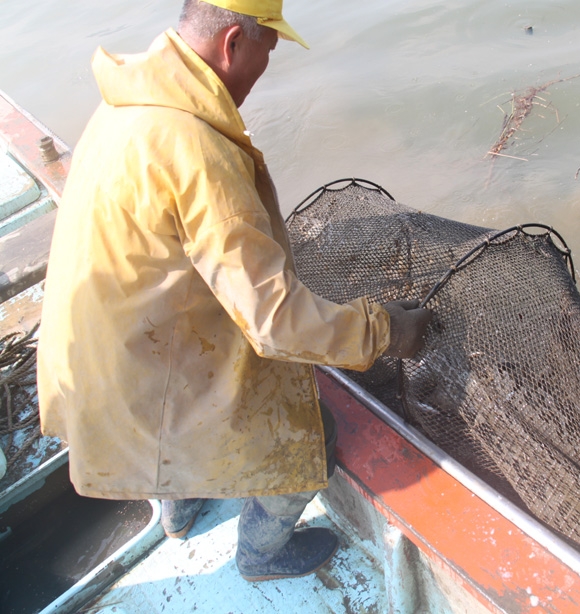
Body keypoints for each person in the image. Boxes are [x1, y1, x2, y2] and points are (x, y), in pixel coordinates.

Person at [36, 0, 431, 582]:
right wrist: (386, 329)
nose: (265, 68)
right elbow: (275, 323)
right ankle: (261, 554)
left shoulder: (129, 101)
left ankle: (179, 510)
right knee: (311, 436)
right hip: (144, 392)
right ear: (232, 44)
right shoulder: (197, 150)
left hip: (97, 373)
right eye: (267, 50)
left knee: (194, 408)